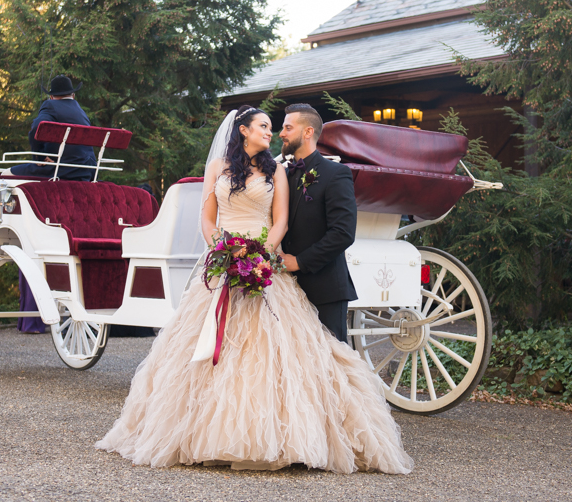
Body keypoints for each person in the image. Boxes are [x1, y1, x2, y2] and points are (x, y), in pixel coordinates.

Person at [96, 106, 412, 474]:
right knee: (212, 351)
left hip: (264, 263)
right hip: (223, 262)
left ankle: (291, 436)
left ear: (306, 132)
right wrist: (222, 250)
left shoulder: (277, 170)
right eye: (264, 126)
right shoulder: (219, 168)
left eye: (280, 127)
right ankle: (202, 432)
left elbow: (280, 220)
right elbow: (207, 217)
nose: (274, 132)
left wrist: (260, 253)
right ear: (243, 130)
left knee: (273, 352)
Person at [10, 74, 97, 333]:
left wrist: (40, 158)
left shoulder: (50, 107)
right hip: (88, 173)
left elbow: (36, 131)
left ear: (51, 95)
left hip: (62, 172)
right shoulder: (81, 112)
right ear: (73, 94)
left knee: (9, 171)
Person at [277, 103, 358, 342]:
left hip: (325, 289)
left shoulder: (336, 174)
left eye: (288, 128)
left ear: (308, 132)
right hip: (285, 291)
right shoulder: (282, 175)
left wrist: (299, 262)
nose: (281, 133)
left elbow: (343, 233)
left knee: (332, 365)